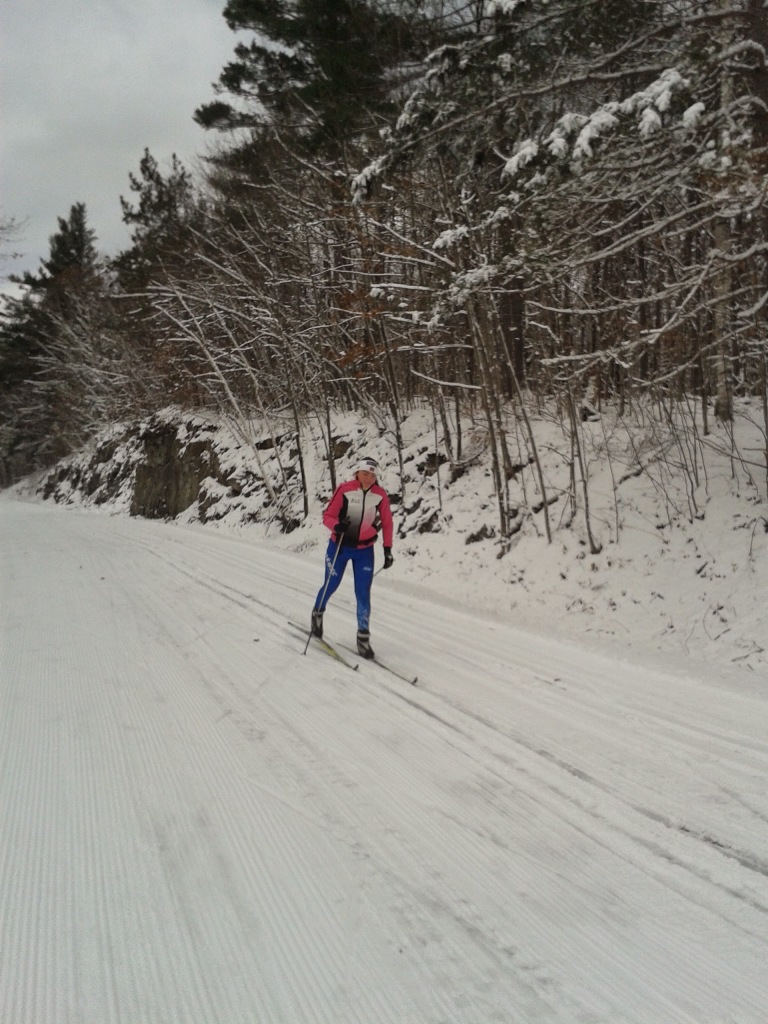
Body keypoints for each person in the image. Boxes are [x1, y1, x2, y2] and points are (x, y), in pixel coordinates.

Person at [311, 455, 394, 658]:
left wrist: (387, 548)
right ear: (357, 472)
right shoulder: (345, 489)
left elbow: (387, 522)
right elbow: (328, 516)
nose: (368, 478)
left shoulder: (380, 495)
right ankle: (317, 614)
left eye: (372, 474)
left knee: (363, 593)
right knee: (331, 584)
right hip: (339, 547)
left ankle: (363, 638)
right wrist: (337, 526)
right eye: (365, 473)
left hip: (365, 550)